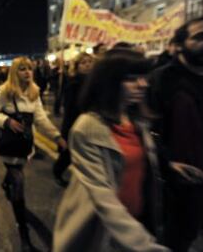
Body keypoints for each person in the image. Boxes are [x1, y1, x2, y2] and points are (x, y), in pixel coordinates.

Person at [53, 49, 169, 252]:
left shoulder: (137, 120)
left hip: (139, 222)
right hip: (106, 231)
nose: (143, 84)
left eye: (144, 77)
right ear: (110, 82)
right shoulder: (88, 127)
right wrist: (145, 245)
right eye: (132, 79)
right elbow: (102, 195)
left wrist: (171, 167)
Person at [148, 15, 203, 251]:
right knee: (180, 237)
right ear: (180, 44)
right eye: (200, 36)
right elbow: (147, 130)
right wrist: (167, 164)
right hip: (182, 180)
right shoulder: (161, 80)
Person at [0, 56, 67, 252]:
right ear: (15, 71)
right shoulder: (5, 91)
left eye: (29, 68)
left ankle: (7, 183)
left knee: (15, 177)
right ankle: (24, 234)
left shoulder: (34, 92)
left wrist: (57, 137)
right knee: (19, 185)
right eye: (22, 69)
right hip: (9, 147)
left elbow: (40, 119)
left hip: (24, 146)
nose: (27, 72)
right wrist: (7, 121)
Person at [53, 52, 94, 187]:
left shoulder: (94, 81)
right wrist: (66, 131)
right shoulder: (74, 83)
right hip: (75, 122)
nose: (87, 65)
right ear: (77, 66)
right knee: (68, 153)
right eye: (83, 63)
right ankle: (57, 171)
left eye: (89, 62)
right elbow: (70, 109)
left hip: (90, 123)